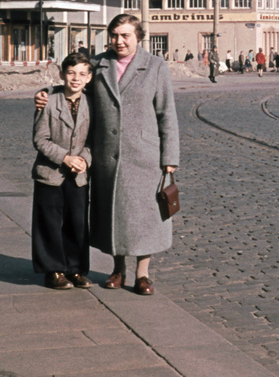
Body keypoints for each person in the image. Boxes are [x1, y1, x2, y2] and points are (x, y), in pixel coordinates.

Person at [35, 15, 179, 296]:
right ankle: (117, 270)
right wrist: (47, 92)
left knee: (144, 215)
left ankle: (142, 274)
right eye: (114, 35)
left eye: (125, 35)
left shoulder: (155, 66)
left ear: (138, 37)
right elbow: (75, 85)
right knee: (113, 212)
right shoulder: (99, 64)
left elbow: (167, 114)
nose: (119, 41)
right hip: (106, 154)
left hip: (144, 154)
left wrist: (169, 157)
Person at [32, 52, 93, 290]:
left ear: (89, 78)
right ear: (62, 75)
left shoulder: (92, 103)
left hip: (78, 174)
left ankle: (75, 269)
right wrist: (65, 158)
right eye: (70, 73)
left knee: (77, 223)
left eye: (81, 74)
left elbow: (94, 140)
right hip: (50, 173)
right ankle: (53, 269)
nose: (75, 79)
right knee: (49, 221)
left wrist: (84, 160)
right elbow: (40, 139)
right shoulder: (49, 101)